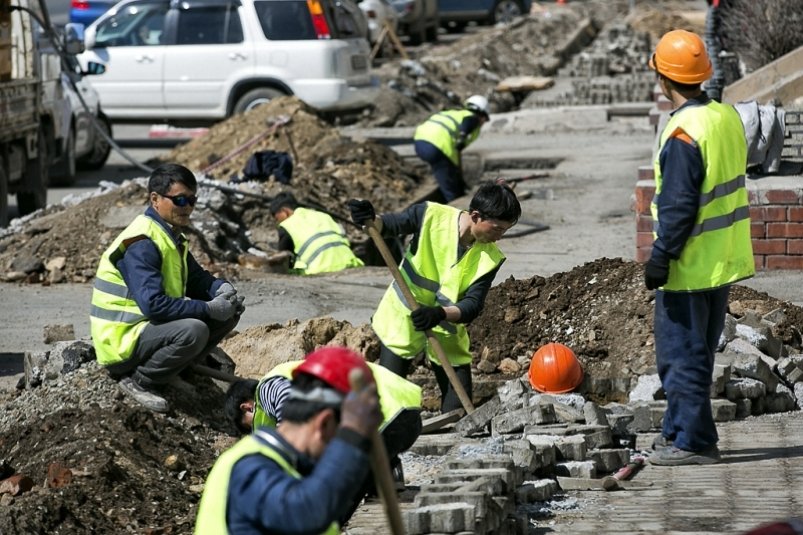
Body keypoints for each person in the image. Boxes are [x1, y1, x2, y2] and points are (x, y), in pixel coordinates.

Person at [645, 30, 754, 466]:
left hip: (689, 265)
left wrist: (661, 257)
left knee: (680, 357)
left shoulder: (683, 133)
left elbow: (678, 204)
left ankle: (694, 442)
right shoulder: (724, 116)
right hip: (722, 259)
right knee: (697, 352)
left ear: (663, 79)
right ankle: (676, 431)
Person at [347, 180, 521, 412]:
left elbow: (473, 305)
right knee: (388, 402)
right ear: (476, 216)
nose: (500, 237)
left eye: (505, 230)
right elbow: (390, 225)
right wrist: (370, 218)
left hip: (447, 328)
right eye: (497, 228)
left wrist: (439, 313)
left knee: (458, 410)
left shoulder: (490, 257)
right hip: (402, 318)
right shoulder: (430, 215)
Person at [90, 163, 245, 413]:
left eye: (192, 201)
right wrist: (208, 308)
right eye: (180, 200)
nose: (187, 208)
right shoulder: (141, 242)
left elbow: (198, 279)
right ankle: (142, 380)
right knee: (193, 330)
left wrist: (222, 289)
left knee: (229, 312)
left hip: (145, 331)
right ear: (155, 199)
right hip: (121, 341)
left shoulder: (170, 236)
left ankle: (176, 365)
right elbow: (154, 306)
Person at [195, 346, 383, 535]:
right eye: (338, 439)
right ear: (324, 424)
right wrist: (352, 437)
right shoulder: (249, 467)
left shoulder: (292, 468)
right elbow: (304, 513)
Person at [224, 357, 422, 524]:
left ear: (247, 407)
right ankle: (389, 471)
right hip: (407, 417)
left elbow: (289, 403)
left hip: (381, 424)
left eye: (250, 426)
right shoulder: (295, 373)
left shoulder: (266, 388)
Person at [413, 95, 490, 202]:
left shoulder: (452, 113)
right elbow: (469, 122)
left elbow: (458, 151)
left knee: (446, 172)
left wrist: (459, 172)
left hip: (419, 142)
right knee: (451, 188)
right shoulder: (472, 118)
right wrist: (463, 135)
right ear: (481, 115)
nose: (483, 123)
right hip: (437, 147)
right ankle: (455, 206)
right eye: (485, 119)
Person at [269, 191, 364, 275]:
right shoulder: (323, 215)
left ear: (285, 211)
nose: (278, 222)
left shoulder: (287, 225)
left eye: (277, 218)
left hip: (320, 270)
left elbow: (283, 260)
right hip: (351, 265)